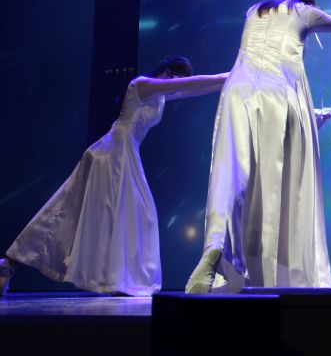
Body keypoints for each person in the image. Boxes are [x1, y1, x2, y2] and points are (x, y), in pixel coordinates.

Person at [186, 0, 331, 292]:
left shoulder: (254, 10)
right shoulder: (304, 11)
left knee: (232, 176)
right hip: (277, 94)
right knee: (274, 183)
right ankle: (270, 273)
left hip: (237, 92)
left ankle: (217, 245)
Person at [0, 57, 228, 296]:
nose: (178, 83)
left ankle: (11, 264)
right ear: (169, 72)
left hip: (123, 151)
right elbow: (192, 84)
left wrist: (229, 80)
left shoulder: (160, 94)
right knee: (112, 212)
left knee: (86, 211)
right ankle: (117, 280)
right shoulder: (142, 84)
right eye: (178, 77)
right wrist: (229, 75)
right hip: (113, 152)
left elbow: (195, 88)